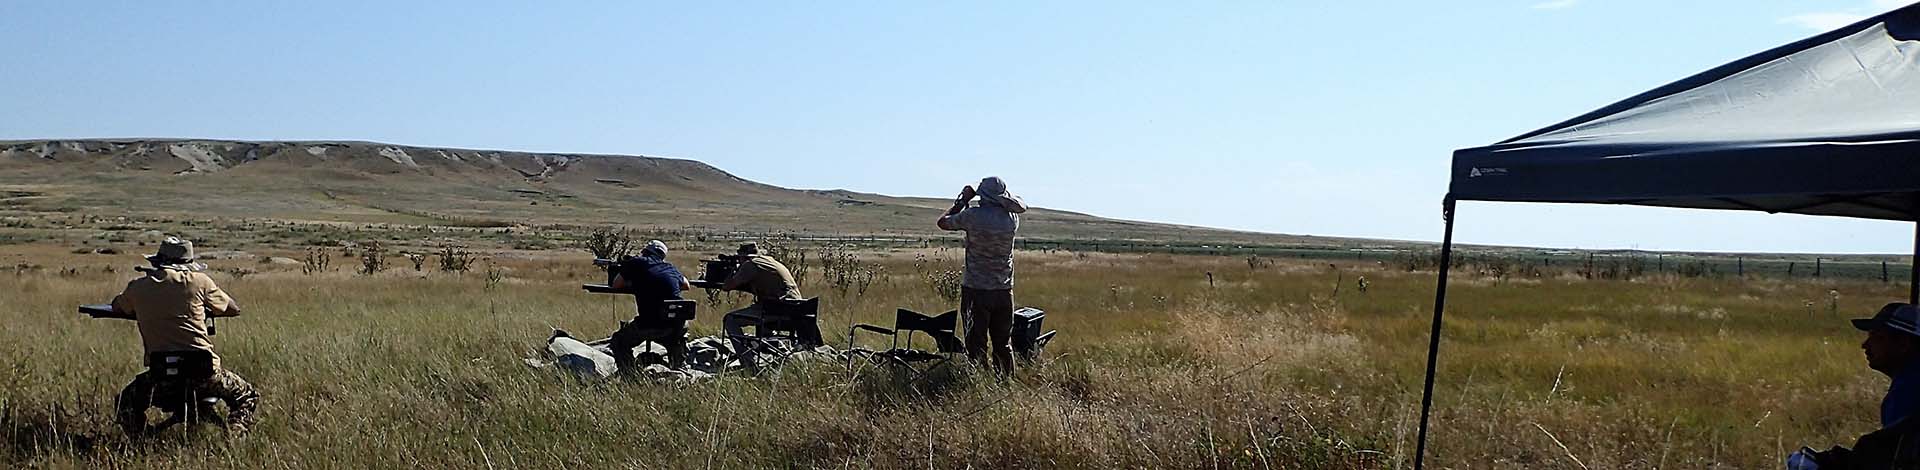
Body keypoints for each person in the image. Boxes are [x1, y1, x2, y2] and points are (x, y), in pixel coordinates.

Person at [108, 237, 259, 434]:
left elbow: (117, 306)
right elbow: (233, 308)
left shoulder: (138, 287)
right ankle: (235, 435)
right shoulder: (199, 282)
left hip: (162, 375)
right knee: (247, 396)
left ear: (157, 262)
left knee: (125, 403)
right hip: (205, 373)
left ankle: (142, 441)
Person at [1789, 303, 1920, 469]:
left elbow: (1897, 459)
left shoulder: (1908, 391)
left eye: (1877, 337)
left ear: (1903, 344)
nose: (1865, 345)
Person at [936, 176, 1028, 376]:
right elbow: (1017, 204)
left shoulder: (973, 216)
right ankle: (1004, 381)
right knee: (1003, 343)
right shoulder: (1011, 219)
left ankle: (978, 382)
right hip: (1004, 290)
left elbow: (943, 223)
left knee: (976, 343)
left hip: (976, 289)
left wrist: (961, 201)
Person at [606, 240, 694, 372]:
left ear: (645, 252)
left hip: (650, 325)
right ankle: (679, 369)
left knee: (619, 341)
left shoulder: (636, 263)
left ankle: (630, 375)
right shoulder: (670, 268)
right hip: (677, 325)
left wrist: (633, 280)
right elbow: (686, 285)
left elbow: (616, 285)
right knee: (673, 340)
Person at [719, 243, 803, 351]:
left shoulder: (750, 264)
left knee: (730, 320)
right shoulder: (770, 261)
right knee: (760, 308)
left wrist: (732, 270)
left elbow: (727, 286)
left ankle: (747, 359)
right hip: (796, 308)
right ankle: (768, 351)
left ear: (743, 256)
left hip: (777, 308)